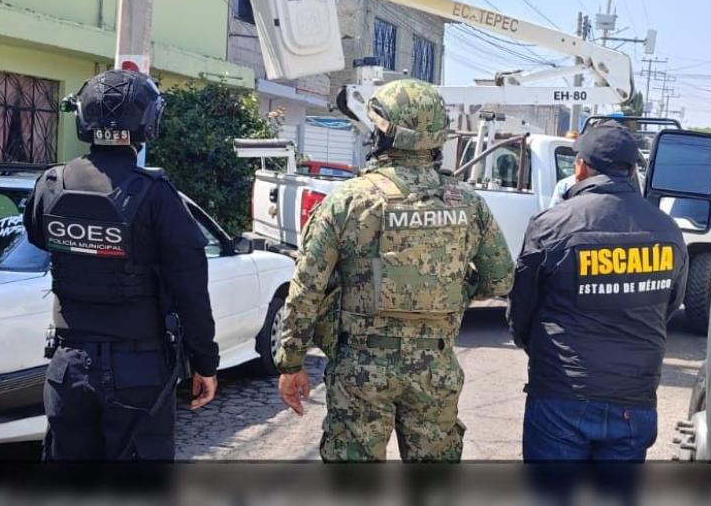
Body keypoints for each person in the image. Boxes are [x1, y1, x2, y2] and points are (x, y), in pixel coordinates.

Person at [275, 79, 514, 461]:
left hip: (361, 369)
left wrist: (291, 362)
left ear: (384, 134)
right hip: (434, 367)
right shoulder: (468, 204)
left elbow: (307, 289)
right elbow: (500, 279)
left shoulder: (348, 201)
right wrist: (453, 288)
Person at [24, 69, 218, 461]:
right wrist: (205, 363)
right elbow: (190, 287)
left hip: (68, 369)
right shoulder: (157, 193)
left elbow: (38, 237)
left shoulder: (51, 184)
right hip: (138, 370)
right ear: (148, 123)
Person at [509, 121, 689, 462]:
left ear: (580, 168)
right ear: (633, 169)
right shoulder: (668, 229)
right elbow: (670, 303)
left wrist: (536, 347)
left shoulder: (552, 224)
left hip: (561, 393)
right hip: (634, 398)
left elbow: (521, 308)